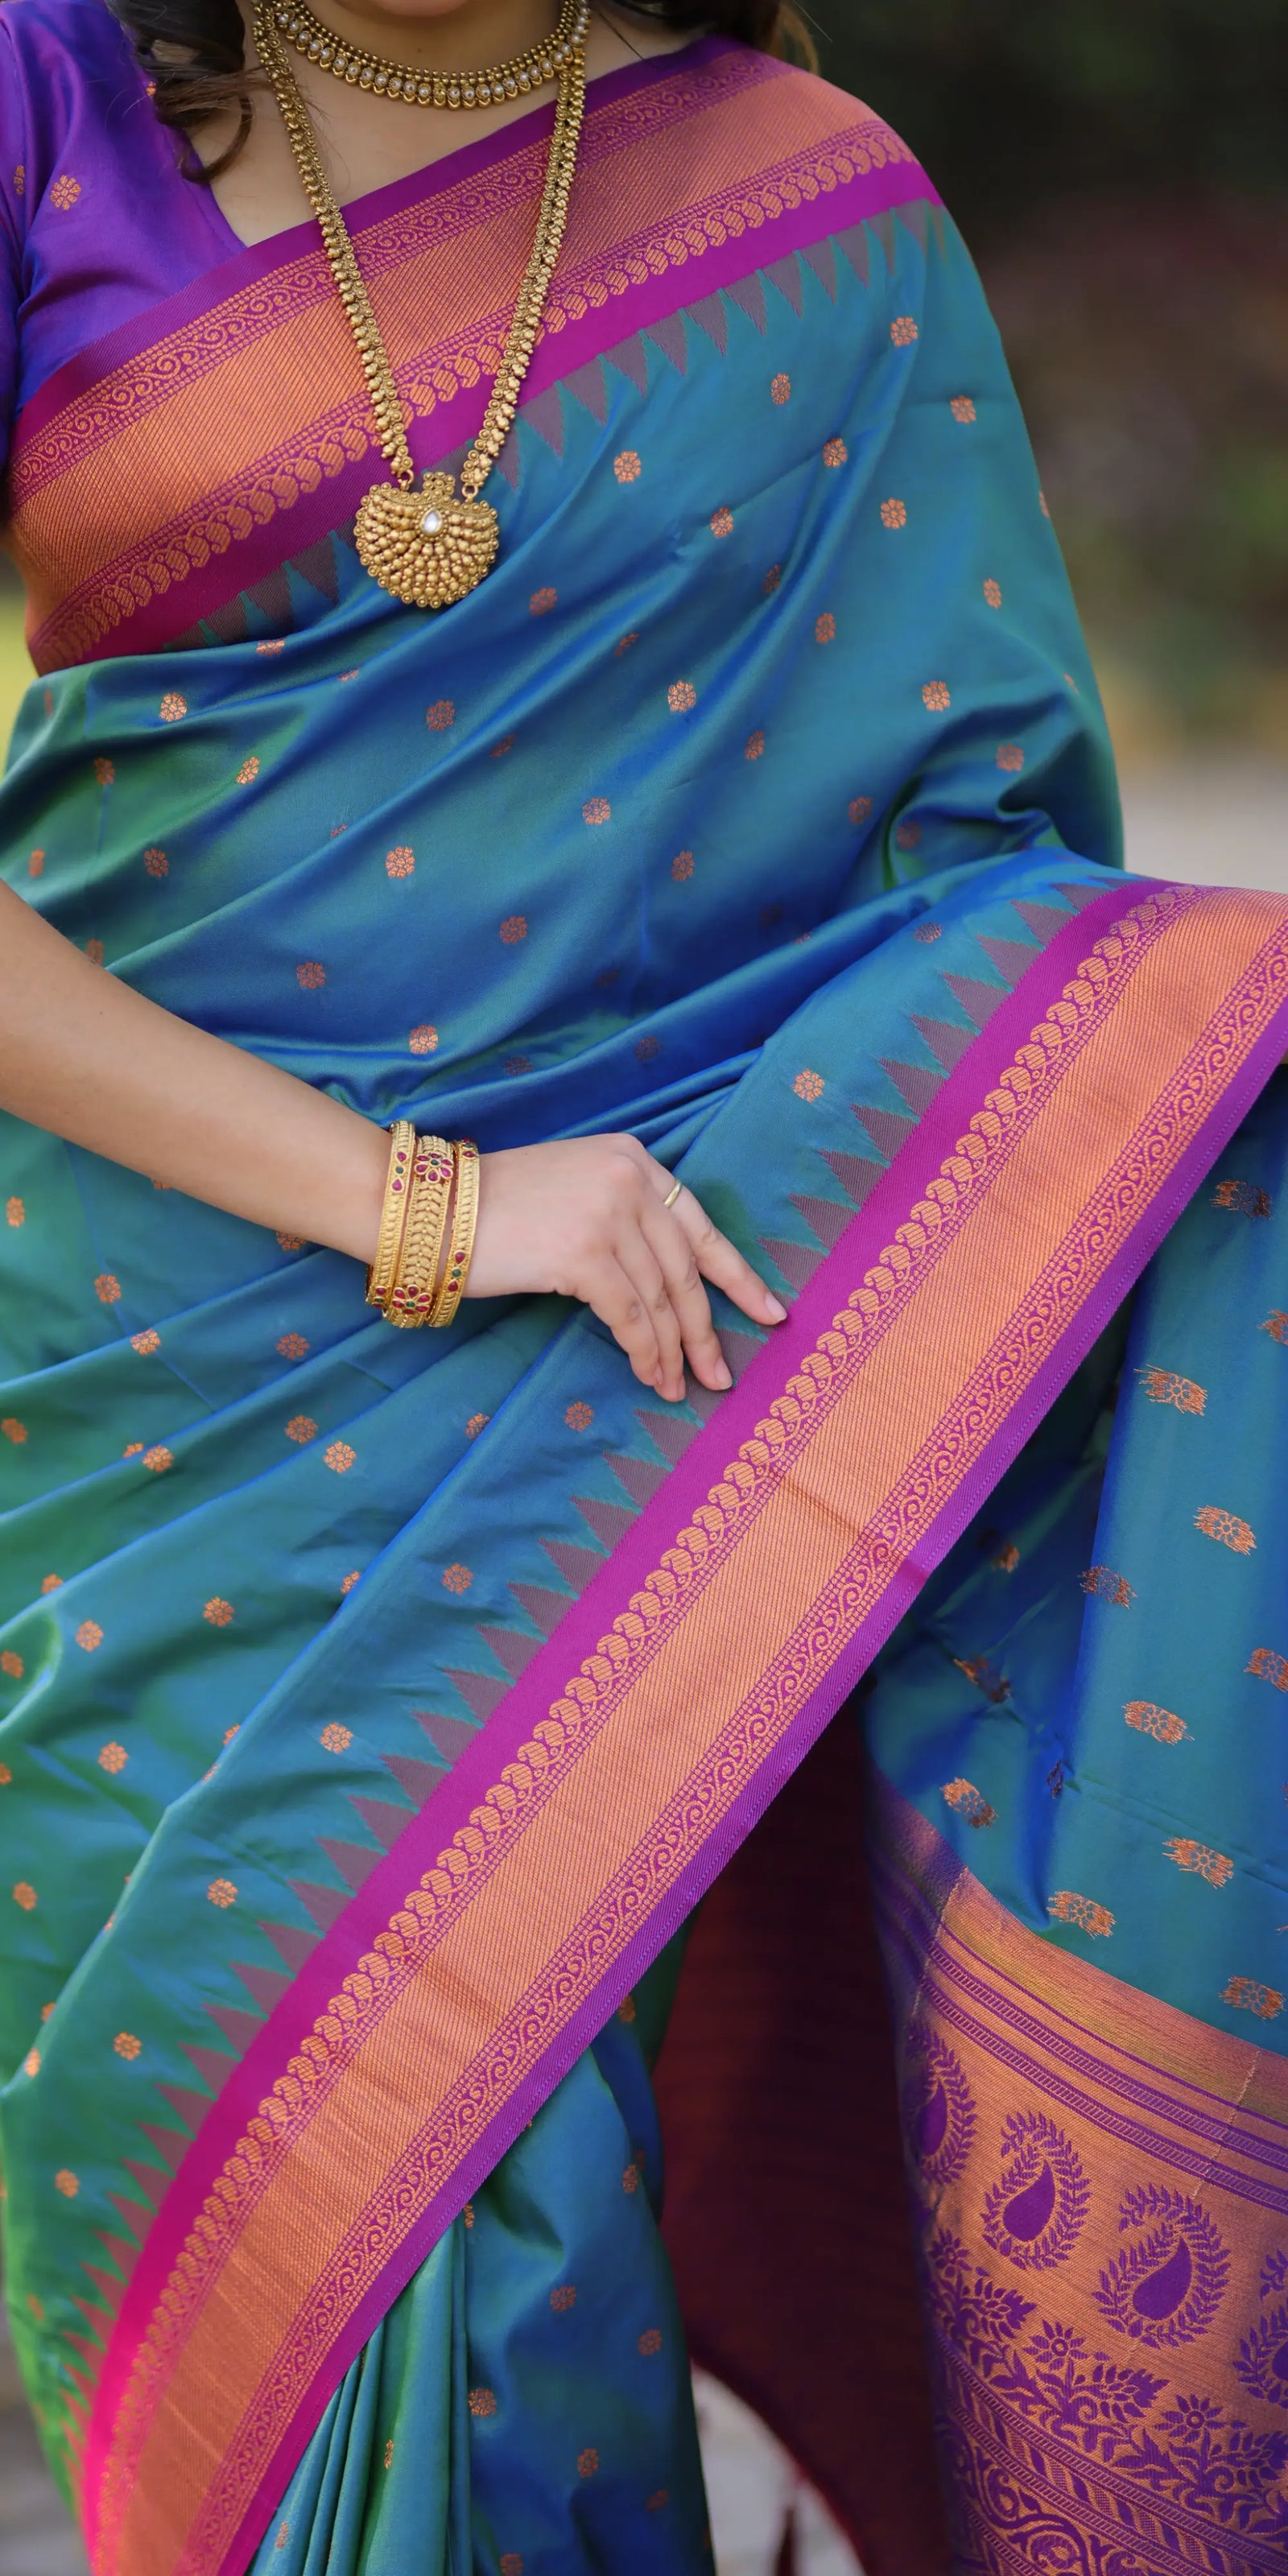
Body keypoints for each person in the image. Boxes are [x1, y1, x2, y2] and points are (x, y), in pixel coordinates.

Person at [0, 0, 1285, 2570]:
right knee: (332, 2250)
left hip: (654, 1326)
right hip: (150, 1412)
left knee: (526, 2231)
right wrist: (424, 1201)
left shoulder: (801, 199)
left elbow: (973, 930)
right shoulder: (45, 104)